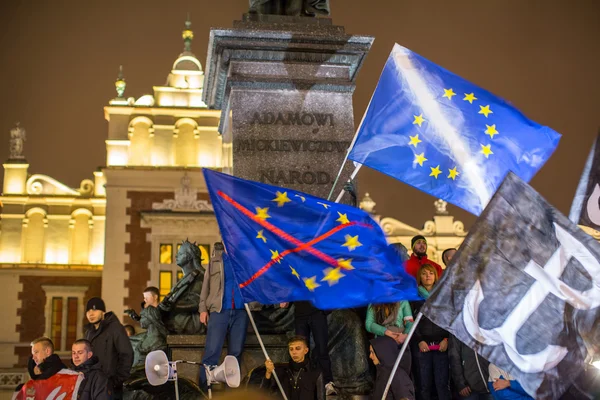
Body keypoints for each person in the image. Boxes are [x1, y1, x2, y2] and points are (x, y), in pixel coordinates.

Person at [199, 242, 249, 388]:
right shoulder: (215, 261)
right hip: (219, 311)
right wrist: (203, 308)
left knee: (236, 352)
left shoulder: (246, 261)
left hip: (241, 311)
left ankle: (231, 391)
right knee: (212, 351)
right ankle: (203, 388)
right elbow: (205, 285)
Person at [410, 264, 451, 400]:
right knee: (423, 385)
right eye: (424, 273)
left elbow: (450, 320)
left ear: (435, 276)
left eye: (431, 273)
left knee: (442, 384)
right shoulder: (413, 297)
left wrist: (446, 340)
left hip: (442, 346)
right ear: (419, 278)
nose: (428, 276)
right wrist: (419, 340)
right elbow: (410, 322)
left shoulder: (443, 295)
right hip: (421, 346)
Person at [279, 300, 336, 395]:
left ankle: (327, 382)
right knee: (301, 351)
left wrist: (326, 309)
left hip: (317, 312)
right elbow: (291, 286)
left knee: (322, 348)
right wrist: (285, 298)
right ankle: (302, 382)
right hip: (300, 314)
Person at [84, 297, 133, 399]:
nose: (91, 313)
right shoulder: (88, 333)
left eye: (94, 310)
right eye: (88, 311)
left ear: (103, 311)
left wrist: (116, 381)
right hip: (92, 386)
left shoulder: (115, 328)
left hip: (110, 387)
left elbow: (127, 354)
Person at [262, 335, 325, 400]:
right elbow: (262, 393)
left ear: (306, 350)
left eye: (298, 348)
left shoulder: (315, 373)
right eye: (291, 349)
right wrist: (268, 372)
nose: (294, 352)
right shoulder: (280, 371)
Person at [369, 335, 415, 400]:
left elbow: (405, 397)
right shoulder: (382, 372)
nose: (370, 356)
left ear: (382, 352)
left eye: (372, 352)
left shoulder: (397, 375)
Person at [448, 335, 492, 399]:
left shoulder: (486, 327)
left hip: (492, 385)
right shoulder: (458, 330)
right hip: (469, 388)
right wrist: (461, 384)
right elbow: (454, 359)